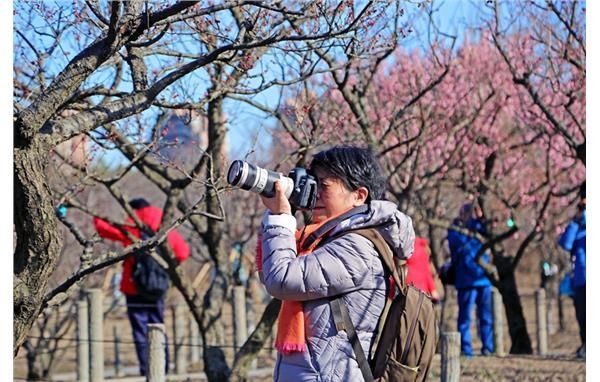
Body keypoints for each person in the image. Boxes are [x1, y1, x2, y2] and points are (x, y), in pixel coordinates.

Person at [256, 146, 415, 381]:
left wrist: (281, 218)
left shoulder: (357, 248)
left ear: (359, 195)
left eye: (323, 185)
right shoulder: (325, 241)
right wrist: (276, 216)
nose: (314, 192)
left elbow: (281, 279)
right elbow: (272, 275)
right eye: (312, 183)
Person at [93, 198, 190, 376]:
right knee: (158, 327)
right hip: (158, 288)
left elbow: (105, 230)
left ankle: (147, 371)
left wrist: (96, 214)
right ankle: (162, 369)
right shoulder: (164, 225)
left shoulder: (133, 224)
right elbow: (183, 252)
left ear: (133, 209)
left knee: (140, 331)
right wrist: (165, 269)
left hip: (134, 287)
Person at [447, 203, 494, 357]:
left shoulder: (480, 226)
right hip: (466, 280)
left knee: (486, 316)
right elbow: (456, 244)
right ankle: (466, 349)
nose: (468, 215)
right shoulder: (455, 230)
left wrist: (481, 218)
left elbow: (489, 233)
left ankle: (488, 347)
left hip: (483, 279)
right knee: (466, 317)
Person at [558, 195, 586, 359]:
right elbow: (565, 244)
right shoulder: (578, 228)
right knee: (582, 317)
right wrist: (576, 221)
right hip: (581, 279)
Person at [406, 237, 440, 302]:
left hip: (407, 289)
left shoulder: (403, 246)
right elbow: (427, 273)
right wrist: (433, 290)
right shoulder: (422, 249)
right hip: (422, 291)